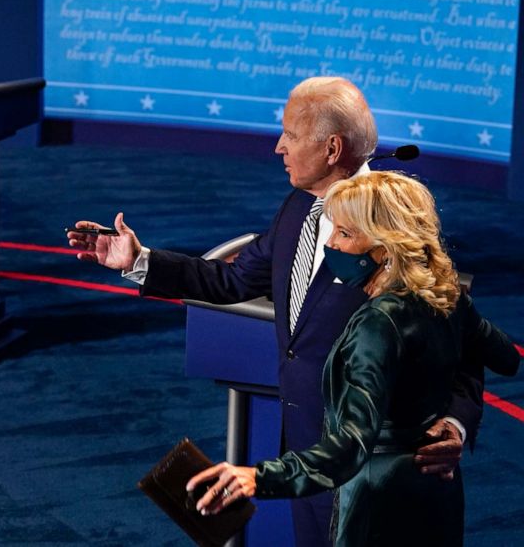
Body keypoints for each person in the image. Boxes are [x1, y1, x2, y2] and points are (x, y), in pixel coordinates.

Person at [67, 77, 484, 547]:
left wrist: (452, 423)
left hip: (376, 472)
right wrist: (138, 261)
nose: (277, 146)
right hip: (308, 453)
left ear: (331, 148)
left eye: (291, 134)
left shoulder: (392, 220)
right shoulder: (297, 209)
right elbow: (234, 280)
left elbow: (461, 344)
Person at [186, 171, 521, 546]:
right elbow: (506, 357)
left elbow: (351, 446)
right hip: (435, 493)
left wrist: (259, 477)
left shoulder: (377, 324)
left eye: (345, 234)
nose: (331, 245)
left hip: (377, 502)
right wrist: (450, 419)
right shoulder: (448, 298)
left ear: (385, 248)